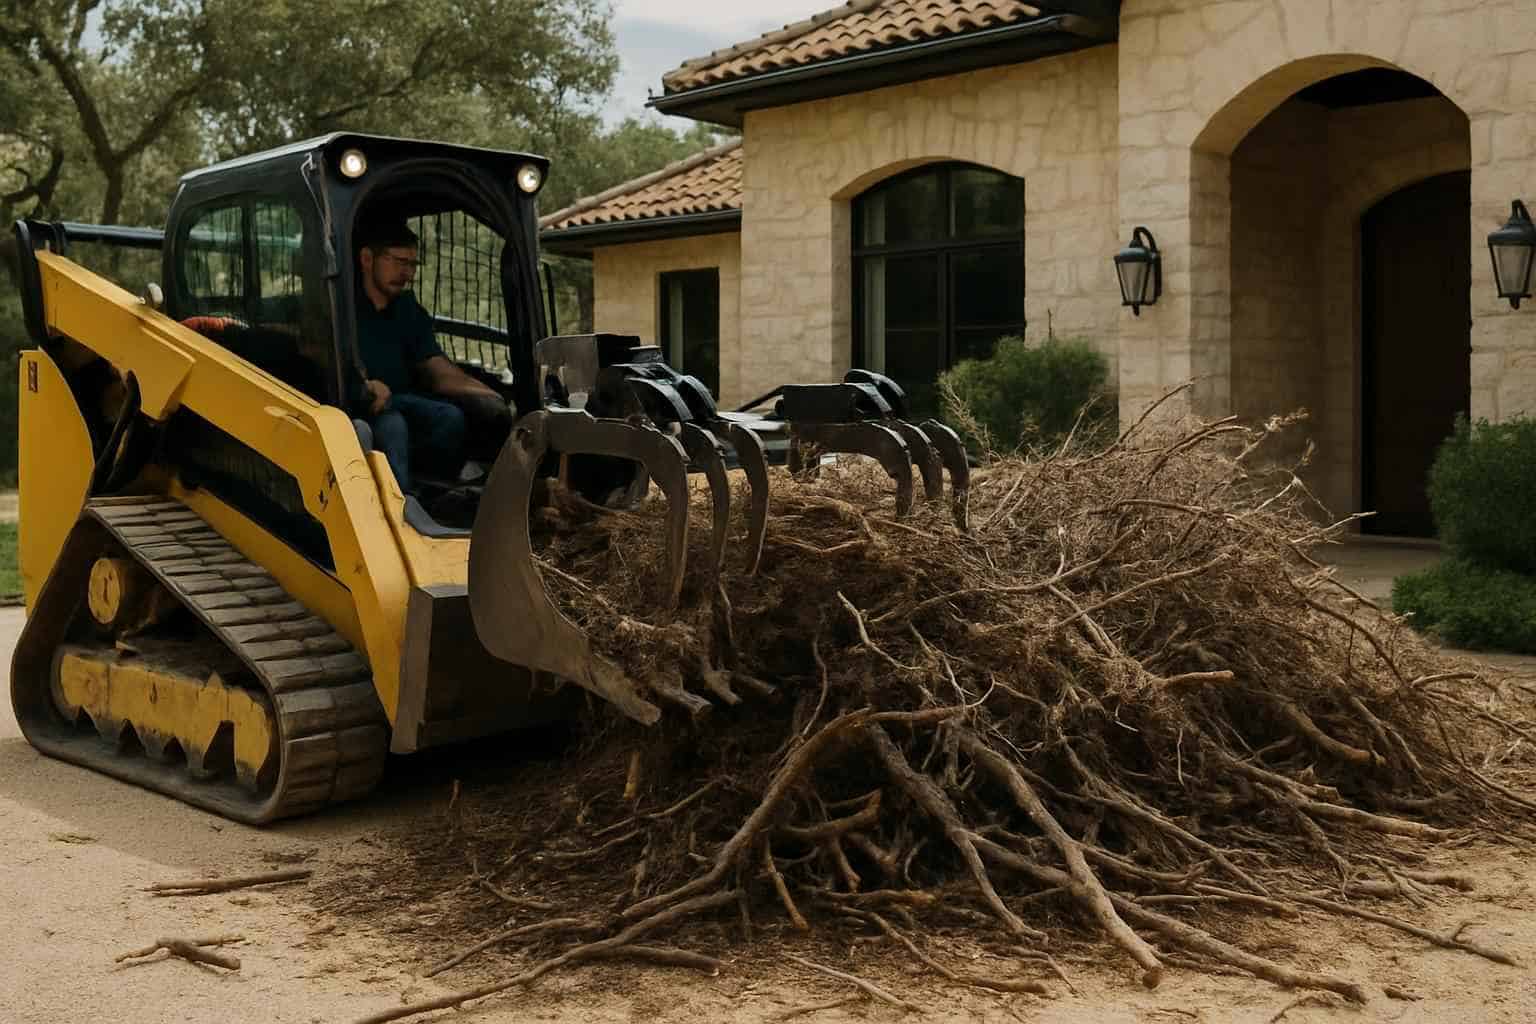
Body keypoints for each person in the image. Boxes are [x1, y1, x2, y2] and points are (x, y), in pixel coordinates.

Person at [354, 219, 504, 493]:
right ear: (366, 258)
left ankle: (437, 493)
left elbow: (436, 368)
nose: (407, 273)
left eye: (412, 264)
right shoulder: (342, 305)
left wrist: (490, 394)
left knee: (450, 418)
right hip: (355, 401)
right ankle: (401, 507)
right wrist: (364, 384)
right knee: (393, 426)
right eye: (399, 261)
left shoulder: (407, 310)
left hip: (400, 399)